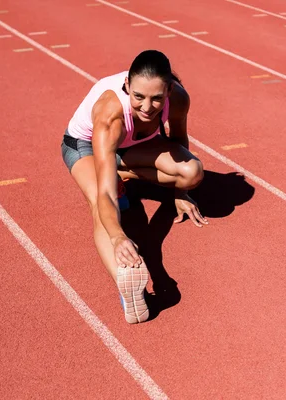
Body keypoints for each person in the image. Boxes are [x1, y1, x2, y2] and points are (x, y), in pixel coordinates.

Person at [61, 50, 208, 324]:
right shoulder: (110, 114)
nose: (147, 107)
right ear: (127, 85)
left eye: (156, 98)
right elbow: (105, 193)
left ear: (169, 90)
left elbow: (177, 141)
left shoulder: (178, 99)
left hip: (129, 150)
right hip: (86, 147)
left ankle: (117, 170)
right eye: (138, 96)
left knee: (192, 172)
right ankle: (126, 279)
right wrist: (118, 237)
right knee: (98, 200)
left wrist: (179, 191)